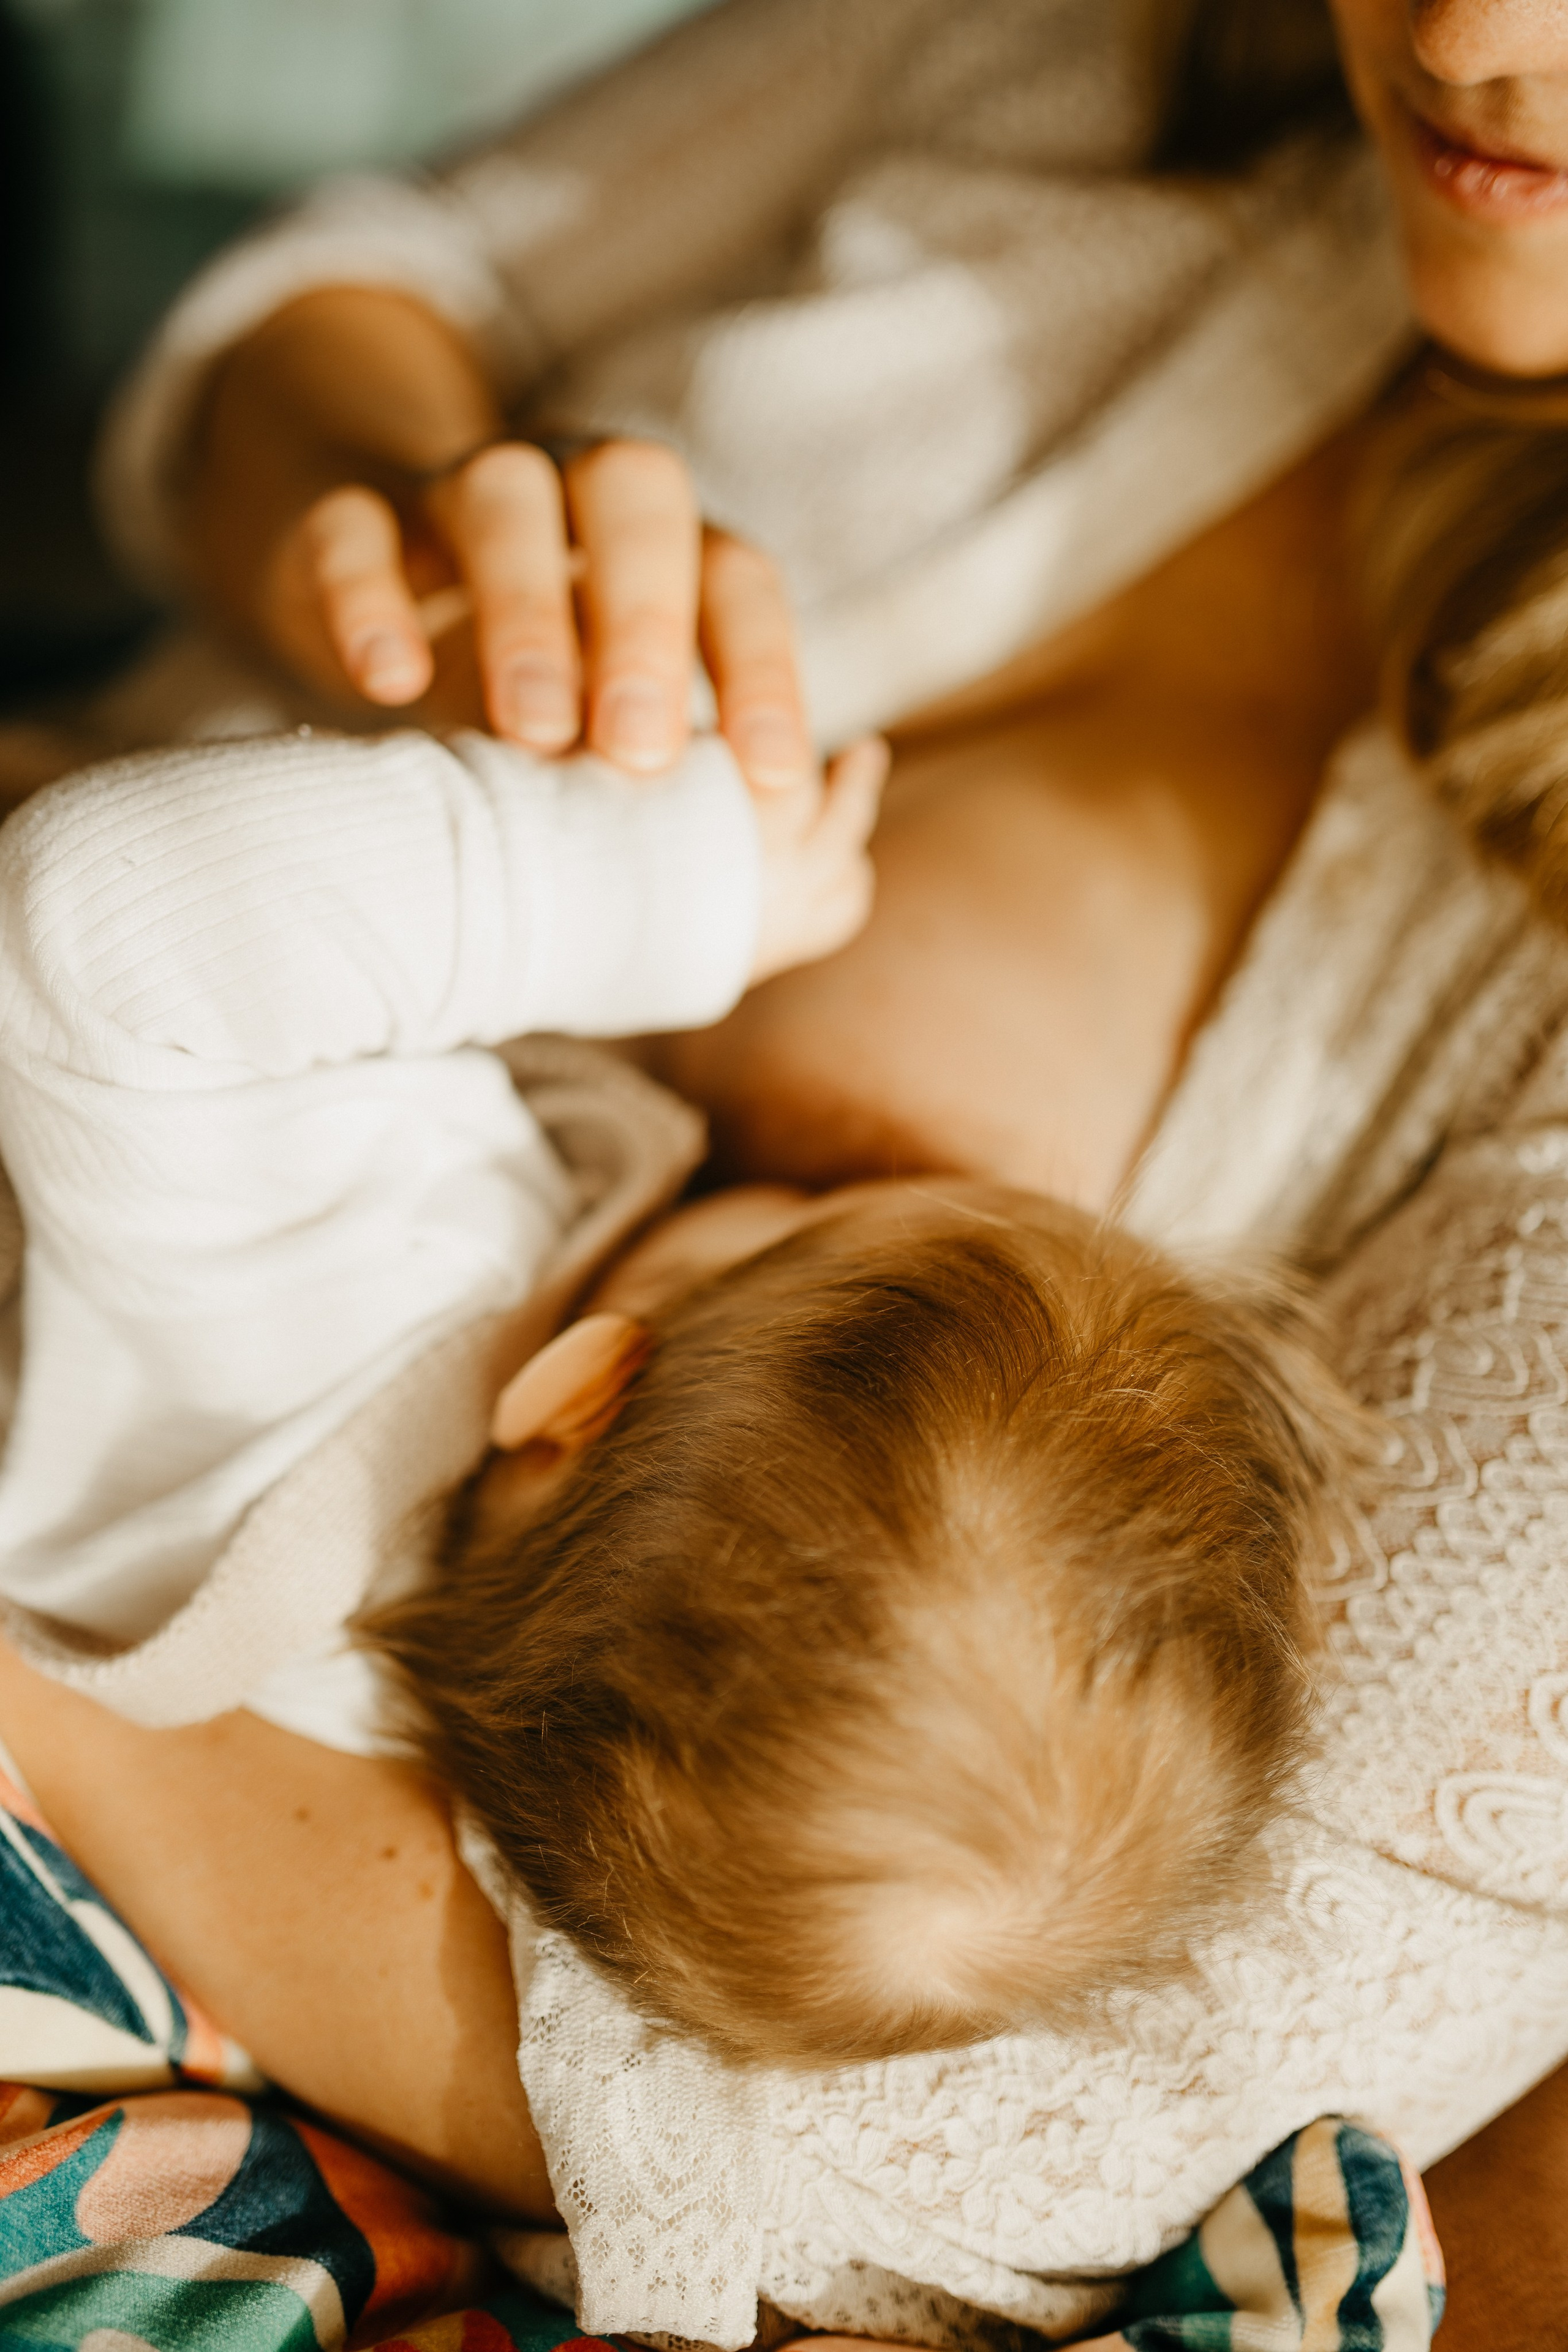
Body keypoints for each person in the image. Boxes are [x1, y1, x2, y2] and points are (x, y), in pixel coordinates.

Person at [5, 0, 1568, 2345]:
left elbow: (1001, 2122)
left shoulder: (373, 1326)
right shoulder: (1105, 47)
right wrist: (408, 511)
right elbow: (368, 295)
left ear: (582, 1390)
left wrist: (636, 896)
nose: (1467, 35)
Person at [0, 730, 1351, 2071]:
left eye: (806, 1213)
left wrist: (649, 895)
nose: (745, 1175)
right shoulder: (333, 1714)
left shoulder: (372, 1293)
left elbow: (94, 919)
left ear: (583, 1387)